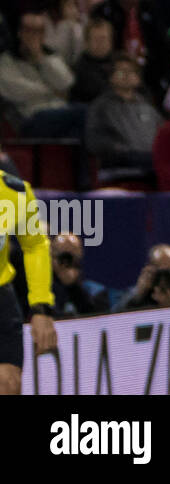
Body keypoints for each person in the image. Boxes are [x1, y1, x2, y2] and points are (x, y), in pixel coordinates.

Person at [0, 162, 55, 394]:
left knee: (8, 383)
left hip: (1, 295)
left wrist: (41, 308)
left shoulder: (15, 191)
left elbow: (35, 246)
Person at [0, 11, 82, 140]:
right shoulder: (7, 60)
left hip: (60, 112)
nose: (33, 36)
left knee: (80, 132)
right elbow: (16, 91)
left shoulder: (50, 56)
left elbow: (67, 83)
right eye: (28, 30)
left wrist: (40, 57)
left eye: (38, 31)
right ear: (19, 33)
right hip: (31, 118)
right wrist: (52, 90)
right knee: (84, 113)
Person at [84, 54, 165, 184]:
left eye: (131, 71)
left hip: (152, 165)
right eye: (121, 71)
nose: (127, 75)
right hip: (120, 166)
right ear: (111, 76)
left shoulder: (147, 106)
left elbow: (164, 134)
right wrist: (123, 152)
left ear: (138, 78)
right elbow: (94, 141)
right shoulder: (101, 106)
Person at [114, 244, 170, 311]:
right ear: (149, 268)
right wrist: (138, 293)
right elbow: (113, 316)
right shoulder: (134, 294)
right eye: (160, 270)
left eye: (169, 271)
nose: (164, 276)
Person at [49, 234, 111, 317]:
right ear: (51, 258)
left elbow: (98, 322)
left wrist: (73, 287)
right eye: (62, 257)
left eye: (70, 257)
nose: (66, 262)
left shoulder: (97, 292)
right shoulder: (43, 294)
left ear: (80, 256)